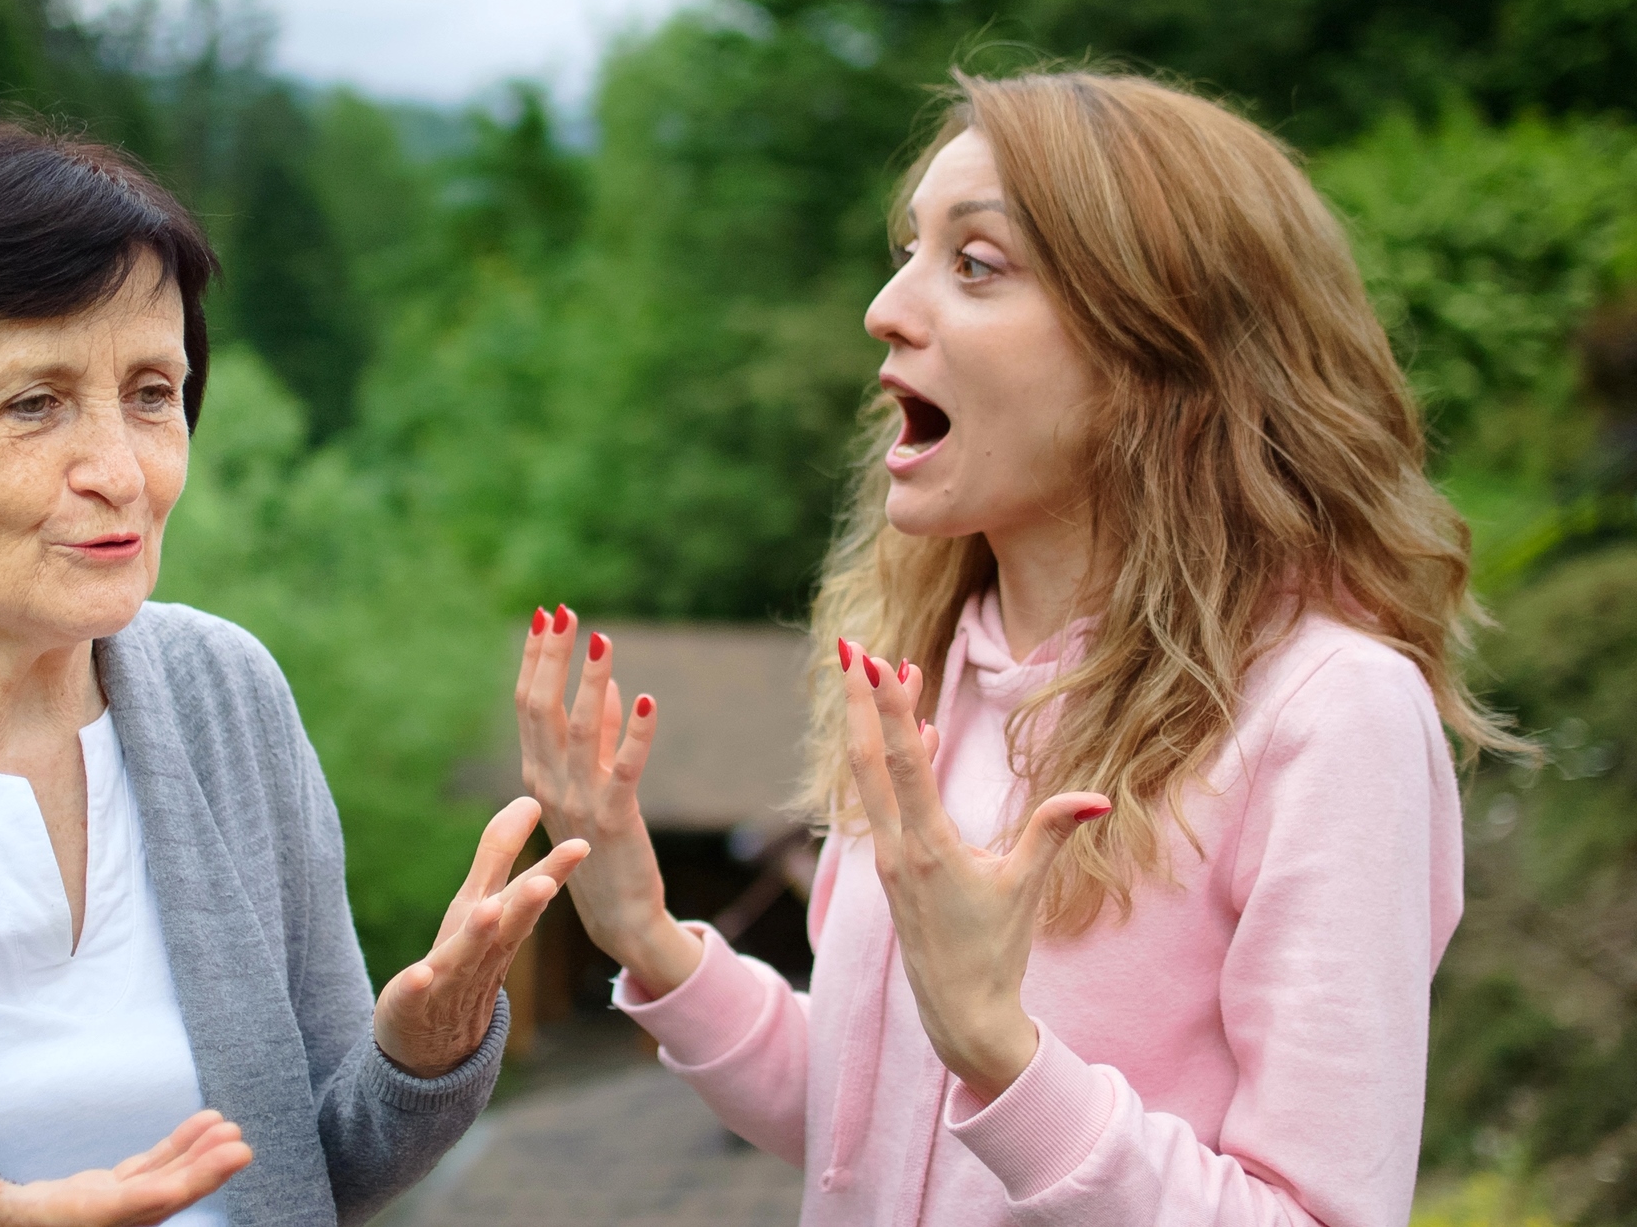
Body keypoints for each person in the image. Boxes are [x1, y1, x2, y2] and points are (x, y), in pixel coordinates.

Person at [515, 69, 1515, 1225]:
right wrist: (649, 936)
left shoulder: (1330, 713)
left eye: (973, 263)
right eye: (905, 250)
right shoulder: (924, 674)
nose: (885, 307)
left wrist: (1003, 1056)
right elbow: (863, 1132)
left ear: (1161, 350)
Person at [0, 121, 586, 1227]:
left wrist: (421, 1055)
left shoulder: (228, 694)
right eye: (33, 403)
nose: (121, 471)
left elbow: (314, 1170)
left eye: (150, 392)